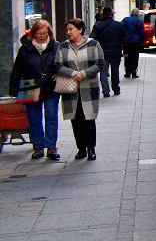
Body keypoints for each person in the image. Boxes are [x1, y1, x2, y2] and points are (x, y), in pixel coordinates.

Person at [9, 19, 60, 161]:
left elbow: (61, 63)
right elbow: (17, 70)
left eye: (45, 33)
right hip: (30, 85)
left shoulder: (56, 46)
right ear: (33, 33)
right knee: (34, 118)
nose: (42, 36)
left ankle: (51, 147)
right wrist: (14, 90)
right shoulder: (25, 48)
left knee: (51, 116)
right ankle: (38, 147)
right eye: (39, 33)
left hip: (50, 85)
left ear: (49, 32)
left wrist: (59, 72)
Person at [56, 18, 103, 160]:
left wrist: (84, 73)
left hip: (89, 87)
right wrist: (72, 73)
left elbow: (100, 64)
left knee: (89, 118)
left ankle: (91, 149)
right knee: (75, 120)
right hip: (70, 89)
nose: (68, 32)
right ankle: (81, 148)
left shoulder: (94, 44)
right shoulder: (63, 46)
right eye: (67, 30)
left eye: (71, 29)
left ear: (80, 30)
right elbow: (57, 65)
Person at [89, 6, 124, 96]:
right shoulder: (119, 25)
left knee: (103, 72)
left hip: (102, 52)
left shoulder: (97, 25)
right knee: (115, 70)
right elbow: (124, 39)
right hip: (116, 51)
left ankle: (105, 91)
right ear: (112, 15)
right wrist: (125, 51)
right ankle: (116, 89)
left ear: (103, 15)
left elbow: (92, 38)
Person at [121, 8, 143, 78]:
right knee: (135, 57)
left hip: (127, 42)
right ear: (137, 14)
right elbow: (142, 33)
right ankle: (134, 73)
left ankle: (127, 73)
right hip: (136, 42)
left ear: (131, 13)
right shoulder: (140, 21)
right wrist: (141, 42)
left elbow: (121, 28)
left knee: (127, 57)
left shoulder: (125, 20)